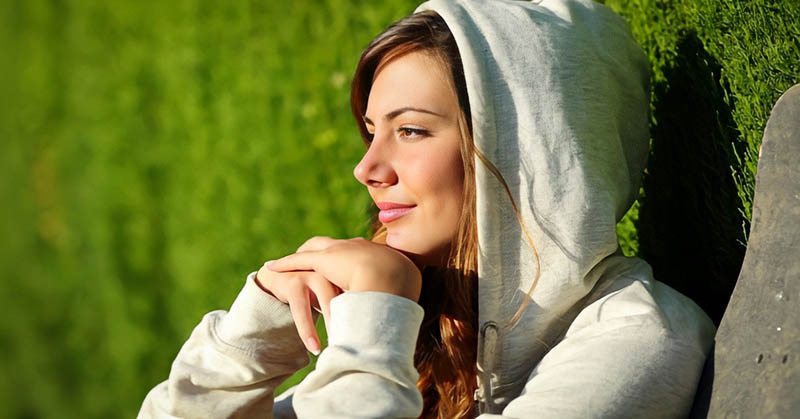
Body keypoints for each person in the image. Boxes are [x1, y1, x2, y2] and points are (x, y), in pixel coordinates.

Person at [138, 0, 716, 417]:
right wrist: (252, 338)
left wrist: (372, 320)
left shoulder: (637, 340)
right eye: (371, 133)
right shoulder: (431, 343)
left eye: (411, 131)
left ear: (528, 152)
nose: (366, 170)